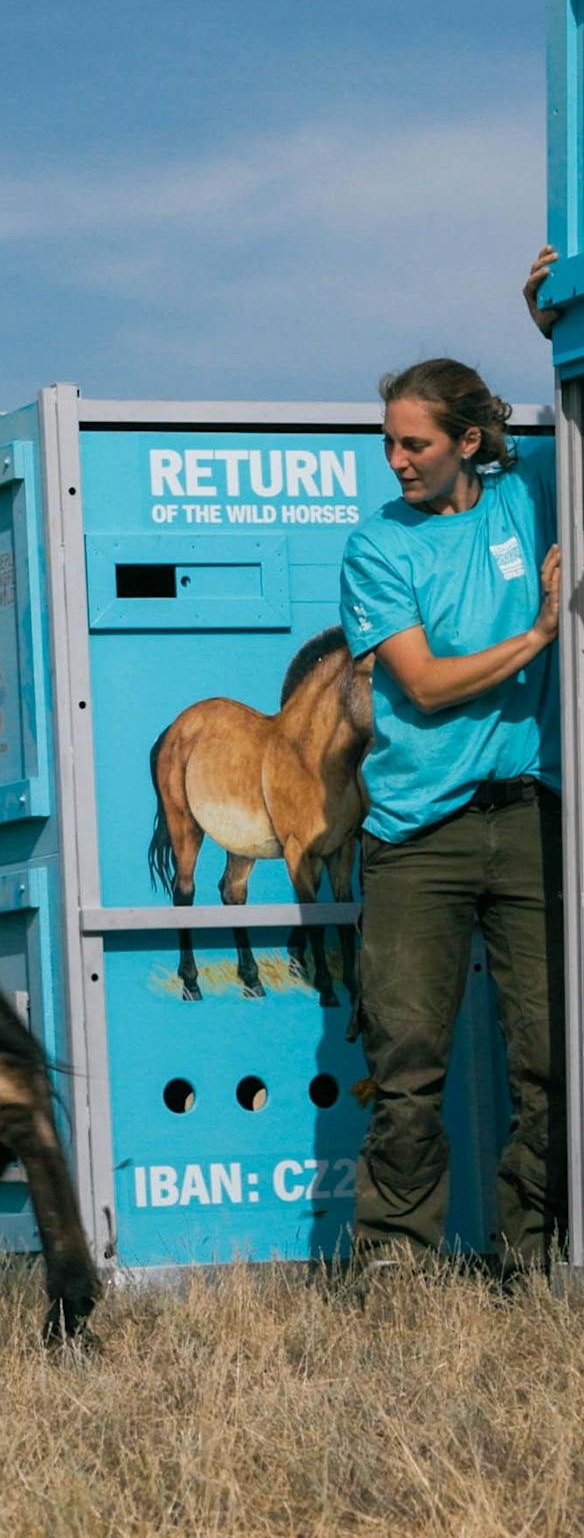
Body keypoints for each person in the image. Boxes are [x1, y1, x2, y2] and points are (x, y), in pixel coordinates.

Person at [338, 251, 566, 1276]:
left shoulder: (517, 499)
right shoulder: (375, 547)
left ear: (465, 441)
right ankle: (391, 1263)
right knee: (406, 1065)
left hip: (522, 819)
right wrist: (535, 636)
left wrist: (544, 315)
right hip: (413, 833)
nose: (395, 459)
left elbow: (560, 405)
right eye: (388, 442)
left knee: (549, 1054)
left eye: (413, 442)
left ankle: (534, 1256)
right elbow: (422, 686)